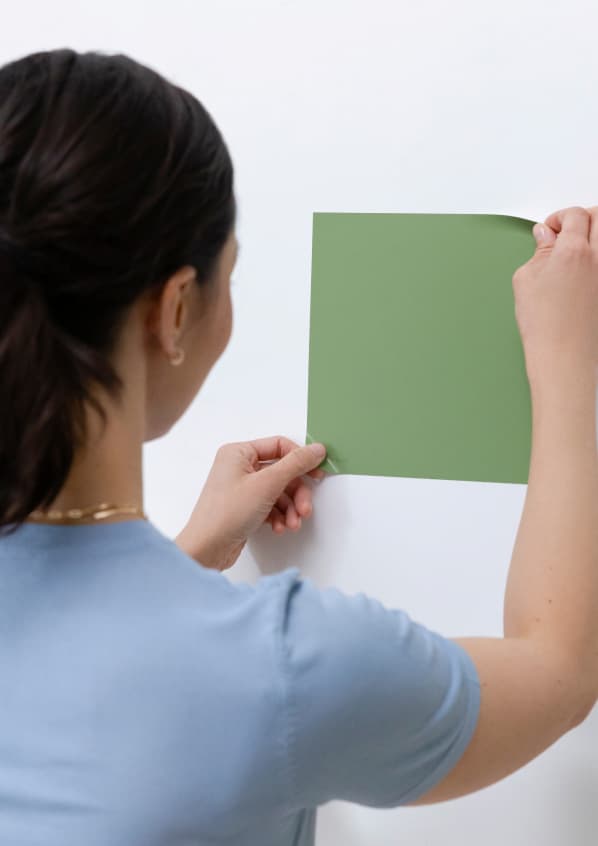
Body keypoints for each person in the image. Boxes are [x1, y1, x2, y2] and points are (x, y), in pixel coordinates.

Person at [0, 48, 596, 846]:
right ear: (174, 310)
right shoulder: (282, 666)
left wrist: (192, 556)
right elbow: (559, 667)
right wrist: (570, 368)